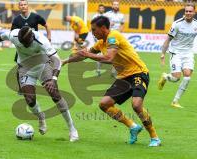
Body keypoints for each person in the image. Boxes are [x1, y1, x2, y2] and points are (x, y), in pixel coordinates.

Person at [63, 16, 161, 146]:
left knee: (137, 105)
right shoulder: (101, 43)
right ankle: (133, 127)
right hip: (123, 77)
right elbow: (82, 56)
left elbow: (109, 58)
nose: (92, 33)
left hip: (139, 73)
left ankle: (154, 137)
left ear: (103, 28)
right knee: (104, 104)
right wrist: (65, 61)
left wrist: (88, 54)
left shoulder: (113, 36)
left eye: (94, 30)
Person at [0, 26, 79, 142]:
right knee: (30, 100)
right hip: (25, 69)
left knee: (54, 94)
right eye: (22, 43)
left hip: (43, 67)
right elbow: (3, 36)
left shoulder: (42, 41)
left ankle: (72, 129)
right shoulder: (14, 35)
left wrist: (53, 79)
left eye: (26, 43)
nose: (24, 45)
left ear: (32, 37)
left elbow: (57, 60)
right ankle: (41, 117)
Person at [158, 3, 197, 108]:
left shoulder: (196, 24)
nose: (188, 13)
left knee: (187, 77)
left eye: (190, 11)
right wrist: (162, 54)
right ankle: (166, 76)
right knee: (176, 78)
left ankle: (175, 101)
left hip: (188, 53)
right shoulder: (177, 24)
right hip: (176, 53)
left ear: (194, 12)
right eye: (186, 11)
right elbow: (168, 39)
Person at [11, 0, 51, 94]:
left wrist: (49, 36)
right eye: (21, 5)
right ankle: (21, 89)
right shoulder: (17, 20)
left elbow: (46, 25)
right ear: (19, 7)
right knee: (19, 68)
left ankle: (46, 85)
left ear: (28, 6)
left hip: (35, 48)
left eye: (25, 4)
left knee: (42, 67)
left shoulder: (35, 16)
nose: (23, 6)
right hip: (23, 49)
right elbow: (12, 33)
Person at [104, 0, 125, 77]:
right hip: (110, 36)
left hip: (118, 37)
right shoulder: (107, 14)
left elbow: (122, 25)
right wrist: (109, 24)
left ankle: (113, 70)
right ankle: (101, 69)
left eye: (117, 5)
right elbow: (103, 24)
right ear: (112, 6)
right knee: (109, 53)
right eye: (115, 5)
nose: (116, 6)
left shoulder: (121, 15)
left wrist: (121, 32)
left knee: (117, 53)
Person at [92, 4, 105, 77]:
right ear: (98, 9)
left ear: (104, 9)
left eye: (102, 8)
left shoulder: (106, 17)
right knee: (100, 54)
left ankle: (113, 71)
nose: (101, 9)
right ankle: (98, 70)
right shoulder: (95, 17)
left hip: (106, 37)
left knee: (112, 53)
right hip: (98, 37)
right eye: (100, 8)